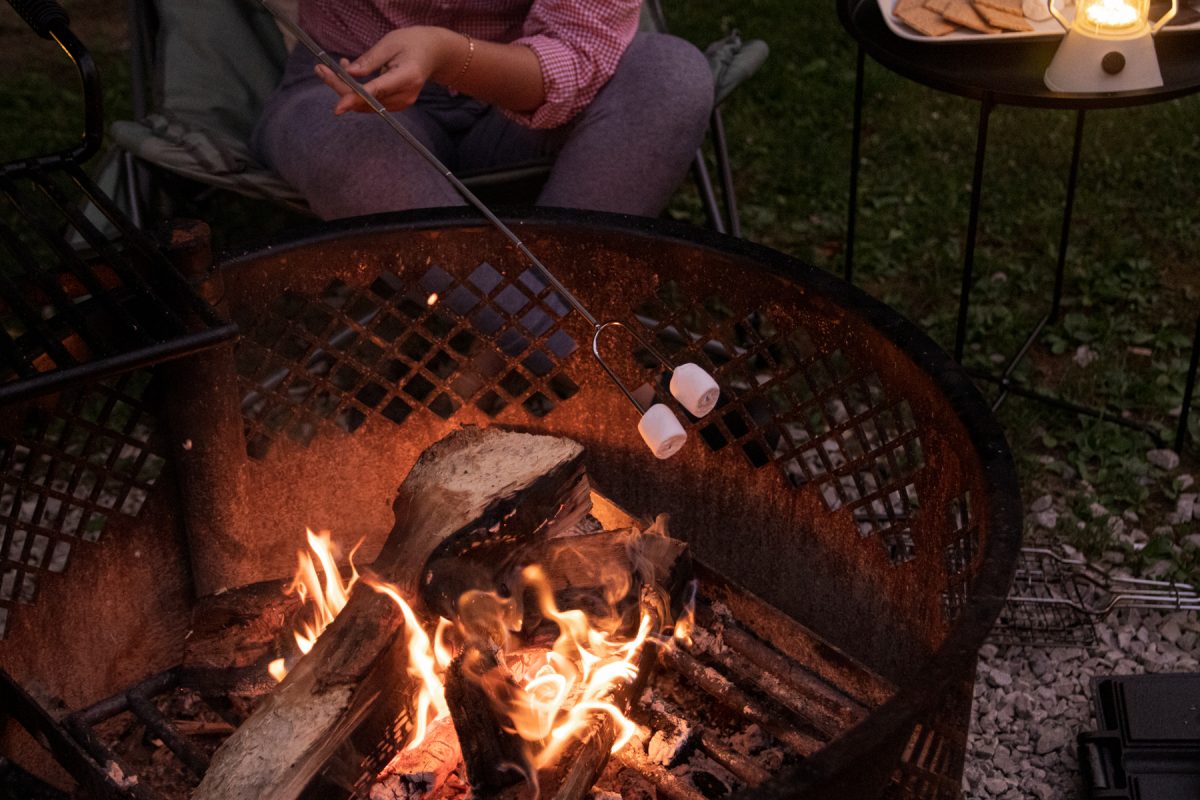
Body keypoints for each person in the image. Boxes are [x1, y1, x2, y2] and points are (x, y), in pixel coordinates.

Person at [252, 0, 715, 221]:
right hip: (350, 86)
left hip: (518, 101)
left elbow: (574, 56)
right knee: (356, 154)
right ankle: (586, 356)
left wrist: (447, 55)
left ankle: (498, 354)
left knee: (670, 75)